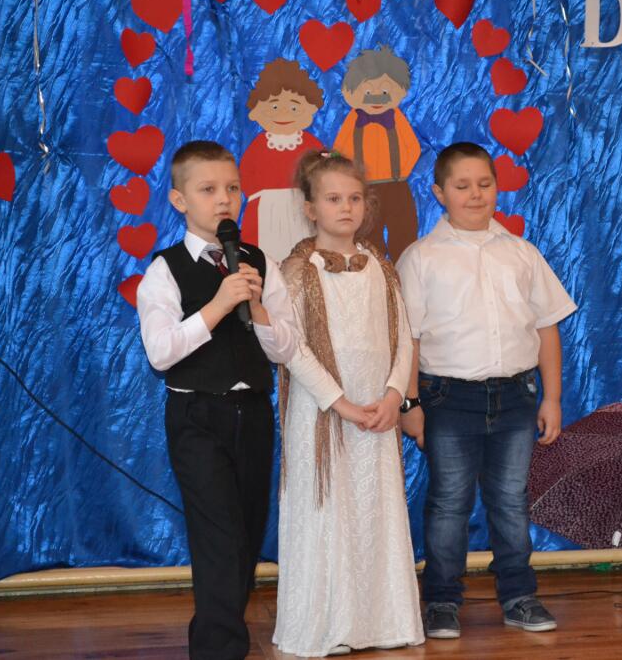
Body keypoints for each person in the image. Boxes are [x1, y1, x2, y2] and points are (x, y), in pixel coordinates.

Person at [396, 142, 577, 639]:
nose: (475, 195)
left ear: (497, 188)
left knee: (511, 501)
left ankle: (519, 596)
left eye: (484, 184)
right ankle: (441, 600)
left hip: (516, 398)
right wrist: (410, 404)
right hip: (448, 399)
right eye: (462, 186)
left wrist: (552, 397)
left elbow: (546, 327)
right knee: (449, 502)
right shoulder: (422, 258)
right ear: (439, 193)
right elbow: (408, 338)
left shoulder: (521, 253)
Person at [136, 140, 298, 660]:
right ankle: (218, 648)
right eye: (208, 190)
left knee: (246, 532)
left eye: (232, 188)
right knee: (218, 535)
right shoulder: (164, 270)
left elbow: (287, 348)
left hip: (253, 413)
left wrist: (259, 308)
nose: (224, 199)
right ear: (180, 200)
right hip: (197, 415)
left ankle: (223, 633)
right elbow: (161, 352)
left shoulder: (258, 262)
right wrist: (218, 305)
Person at [272, 150, 424, 657]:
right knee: (326, 512)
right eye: (334, 198)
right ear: (310, 208)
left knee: (372, 512)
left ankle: (380, 621)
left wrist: (393, 396)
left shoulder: (382, 268)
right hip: (322, 414)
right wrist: (341, 404)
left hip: (376, 414)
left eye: (355, 198)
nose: (346, 208)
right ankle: (326, 624)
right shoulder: (295, 273)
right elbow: (292, 350)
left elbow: (403, 339)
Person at [332, 46, 421, 262]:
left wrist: (402, 172)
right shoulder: (353, 120)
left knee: (404, 229)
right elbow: (340, 150)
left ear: (401, 91)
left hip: (396, 184)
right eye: (367, 92)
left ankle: (404, 268)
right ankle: (373, 269)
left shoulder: (396, 118)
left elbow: (413, 148)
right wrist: (351, 177)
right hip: (365, 188)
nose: (376, 97)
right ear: (349, 93)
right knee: (368, 232)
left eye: (385, 91)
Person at [239, 58, 326, 262]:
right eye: (274, 107)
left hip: (301, 207)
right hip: (267, 209)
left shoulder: (310, 143)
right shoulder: (259, 144)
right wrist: (258, 197)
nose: (284, 113)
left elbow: (322, 171)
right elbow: (246, 174)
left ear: (310, 109)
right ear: (257, 111)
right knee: (267, 255)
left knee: (305, 252)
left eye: (294, 108)